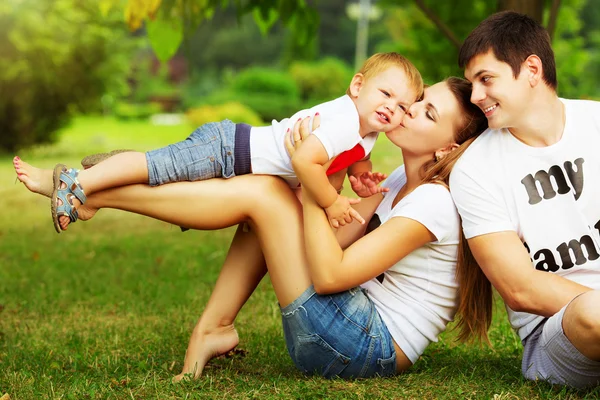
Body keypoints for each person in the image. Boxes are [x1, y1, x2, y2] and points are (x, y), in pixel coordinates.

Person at [16, 77, 486, 379]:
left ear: (447, 148)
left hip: (362, 345)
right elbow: (337, 239)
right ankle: (213, 329)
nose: (407, 109)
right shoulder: (402, 180)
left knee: (266, 195)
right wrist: (318, 186)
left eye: (426, 112)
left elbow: (329, 274)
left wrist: (312, 182)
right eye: (418, 100)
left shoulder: (435, 202)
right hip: (348, 319)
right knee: (265, 201)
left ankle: (92, 192)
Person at [14, 52, 423, 232]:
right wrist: (332, 202)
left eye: (404, 106)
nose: (392, 108)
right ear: (357, 86)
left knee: (163, 177)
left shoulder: (365, 133)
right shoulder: (345, 120)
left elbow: (353, 161)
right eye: (385, 94)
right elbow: (306, 163)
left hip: (237, 159)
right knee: (157, 168)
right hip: (228, 147)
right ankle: (76, 183)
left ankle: (105, 174)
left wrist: (362, 180)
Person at [449, 11, 600, 388]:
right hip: (560, 329)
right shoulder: (476, 169)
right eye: (472, 83)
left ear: (532, 69)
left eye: (486, 79)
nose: (475, 96)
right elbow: (519, 288)